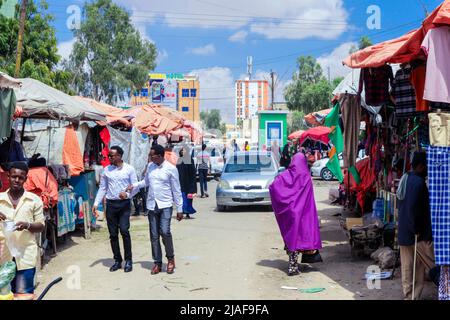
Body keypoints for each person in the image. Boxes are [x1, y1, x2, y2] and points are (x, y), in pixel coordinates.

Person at [127, 145, 183, 275]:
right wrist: (134, 185)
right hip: (152, 205)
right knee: (154, 236)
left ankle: (170, 259)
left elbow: (176, 189)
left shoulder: (171, 169)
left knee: (165, 231)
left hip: (165, 205)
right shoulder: (151, 167)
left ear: (160, 155)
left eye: (152, 155)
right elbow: (145, 182)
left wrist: (179, 208)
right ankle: (157, 262)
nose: (150, 157)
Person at [269, 153, 323, 276]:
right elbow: (309, 199)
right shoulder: (306, 177)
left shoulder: (285, 176)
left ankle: (293, 265)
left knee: (292, 237)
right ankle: (293, 266)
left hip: (290, 213)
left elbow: (273, 187)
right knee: (299, 238)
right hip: (303, 213)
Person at [0, 162, 45, 300]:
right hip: (3, 257)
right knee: (4, 296)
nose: (17, 180)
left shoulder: (34, 200)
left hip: (25, 256)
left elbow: (41, 226)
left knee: (23, 295)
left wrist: (27, 225)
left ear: (26, 178)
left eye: (21, 177)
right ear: (8, 176)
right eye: (14, 176)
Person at [92, 146, 138, 273]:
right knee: (113, 234)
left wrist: (128, 195)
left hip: (124, 204)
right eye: (109, 156)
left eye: (112, 156)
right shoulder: (106, 170)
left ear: (119, 156)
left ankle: (128, 260)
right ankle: (117, 260)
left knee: (124, 230)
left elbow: (135, 187)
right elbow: (102, 188)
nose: (109, 158)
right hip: (111, 205)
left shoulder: (129, 169)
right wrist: (96, 204)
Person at [398, 152, 435, 300]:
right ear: (421, 166)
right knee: (431, 266)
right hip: (415, 235)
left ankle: (411, 297)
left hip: (406, 232)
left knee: (411, 269)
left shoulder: (406, 178)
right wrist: (417, 231)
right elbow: (413, 209)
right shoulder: (418, 183)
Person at [176, 146, 197, 219]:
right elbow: (177, 171)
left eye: (184, 150)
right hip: (181, 182)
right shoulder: (179, 159)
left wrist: (193, 183)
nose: (182, 152)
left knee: (189, 199)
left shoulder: (189, 159)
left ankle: (187, 212)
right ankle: (183, 211)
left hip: (189, 183)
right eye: (181, 150)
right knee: (182, 198)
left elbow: (193, 171)